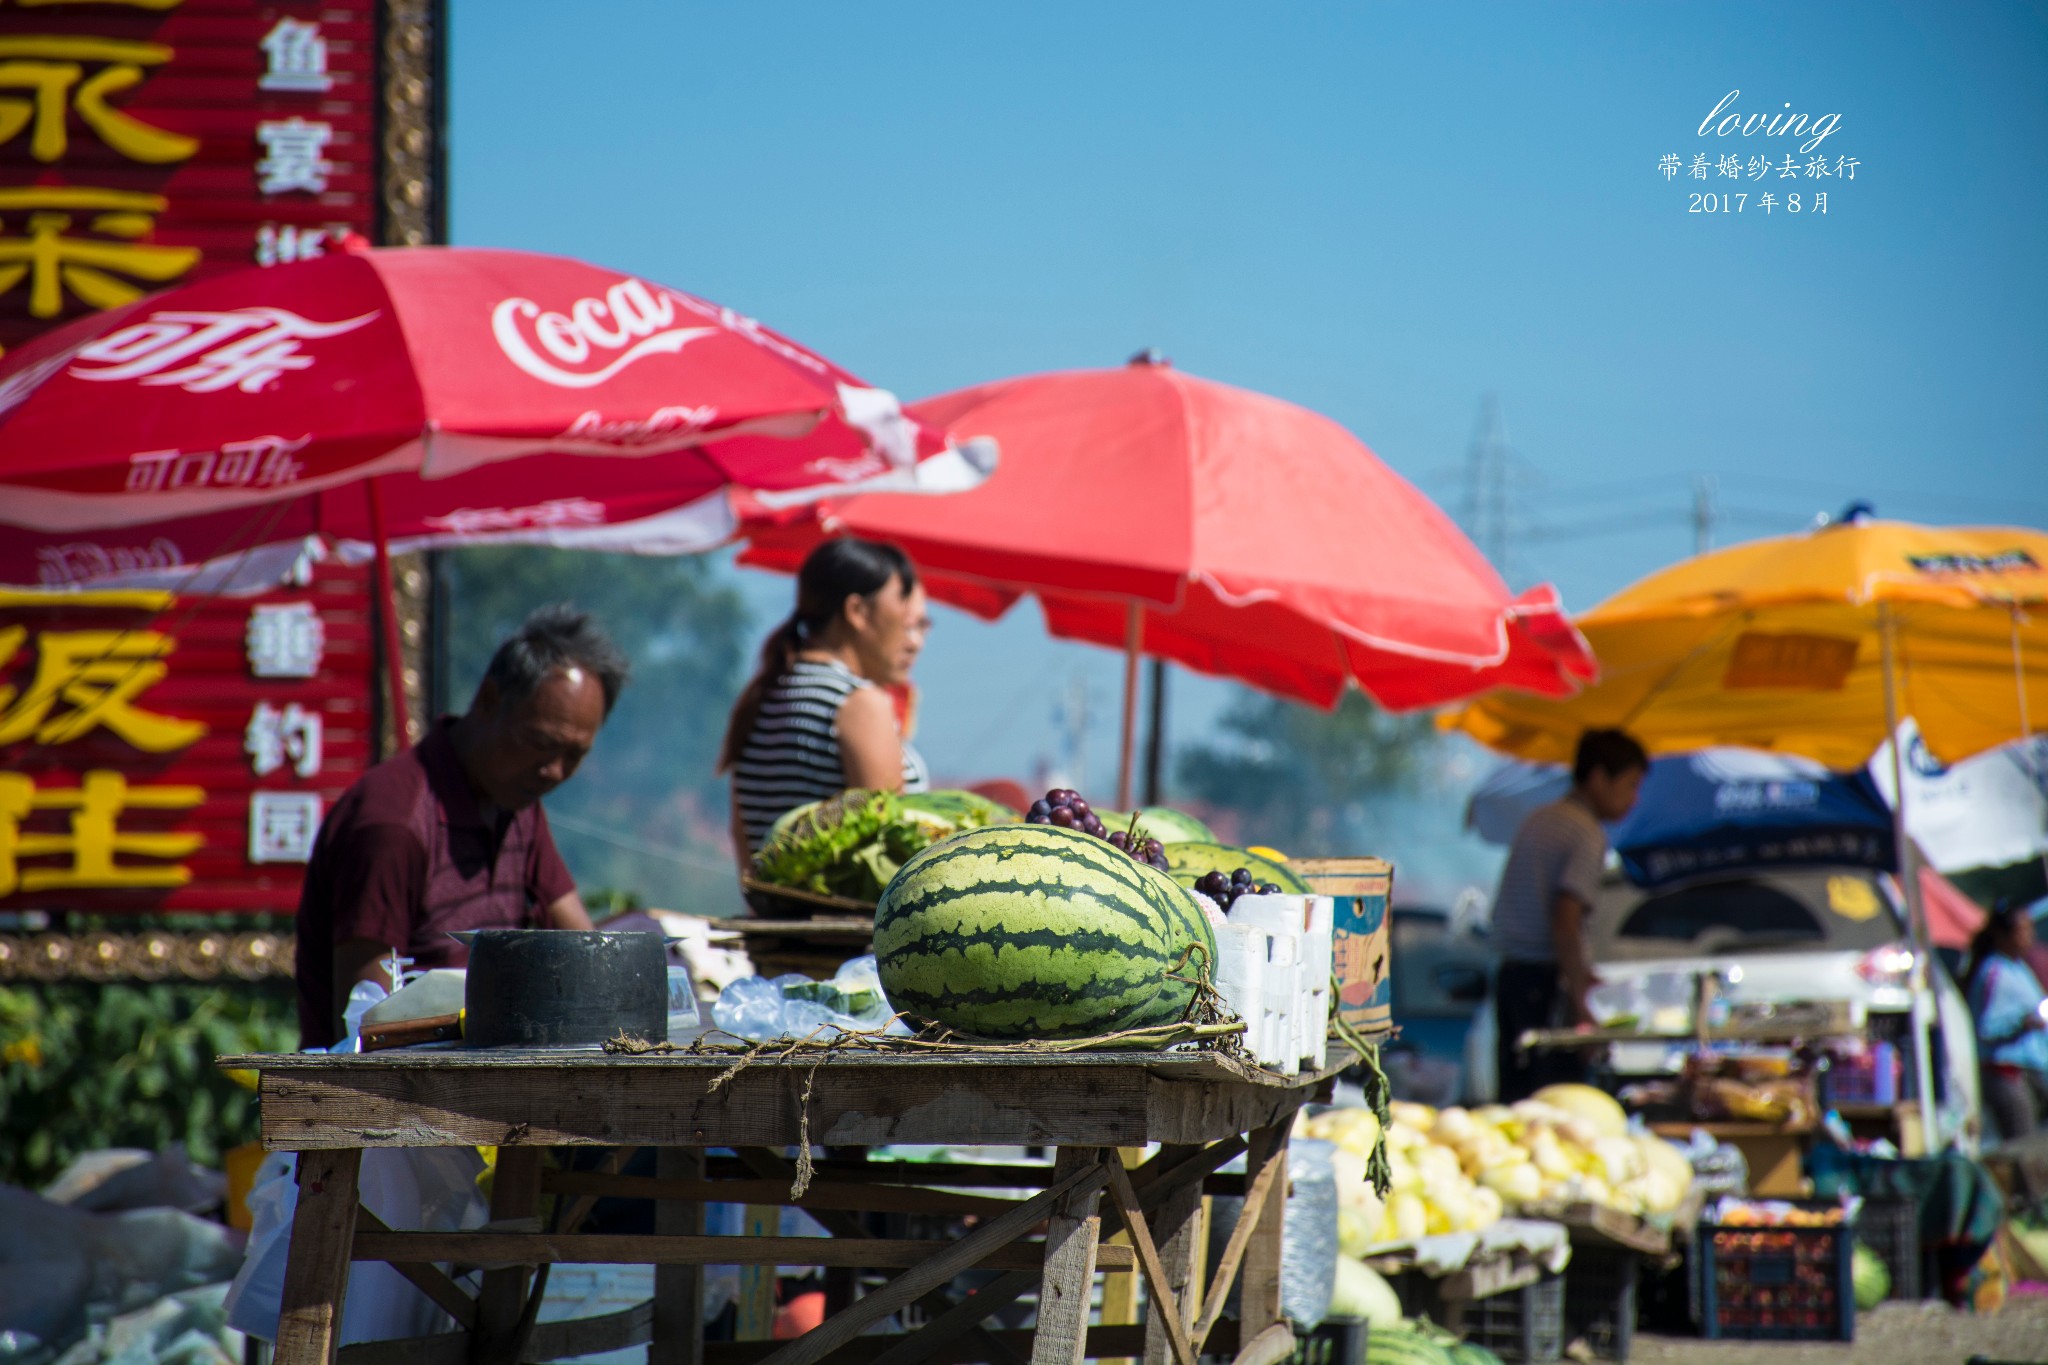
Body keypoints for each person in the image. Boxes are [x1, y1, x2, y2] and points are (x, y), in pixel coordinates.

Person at [294, 605, 628, 1047]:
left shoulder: (518, 802)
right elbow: (364, 1027)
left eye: (575, 755)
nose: (554, 771)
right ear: (489, 700)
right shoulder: (394, 825)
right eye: (542, 744)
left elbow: (584, 951)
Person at [720, 538, 932, 860]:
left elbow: (743, 836)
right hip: (854, 912)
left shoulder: (765, 696)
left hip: (775, 908)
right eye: (902, 612)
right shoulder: (858, 704)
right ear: (857, 611)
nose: (912, 639)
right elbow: (889, 847)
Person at [1490, 727, 1648, 1102]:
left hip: (1512, 977)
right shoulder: (1585, 833)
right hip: (1541, 985)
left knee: (1516, 1096)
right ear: (1598, 778)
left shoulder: (1541, 818)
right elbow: (1566, 919)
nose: (1633, 799)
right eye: (1630, 785)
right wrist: (1580, 1005)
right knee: (1552, 1100)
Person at [1965, 900, 2048, 1142]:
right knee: (2021, 1144)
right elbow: (1986, 1028)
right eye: (2023, 930)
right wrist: (2023, 1023)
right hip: (2006, 1073)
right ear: (2004, 935)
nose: (2029, 936)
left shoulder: (2018, 968)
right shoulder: (1994, 972)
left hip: (2031, 1069)